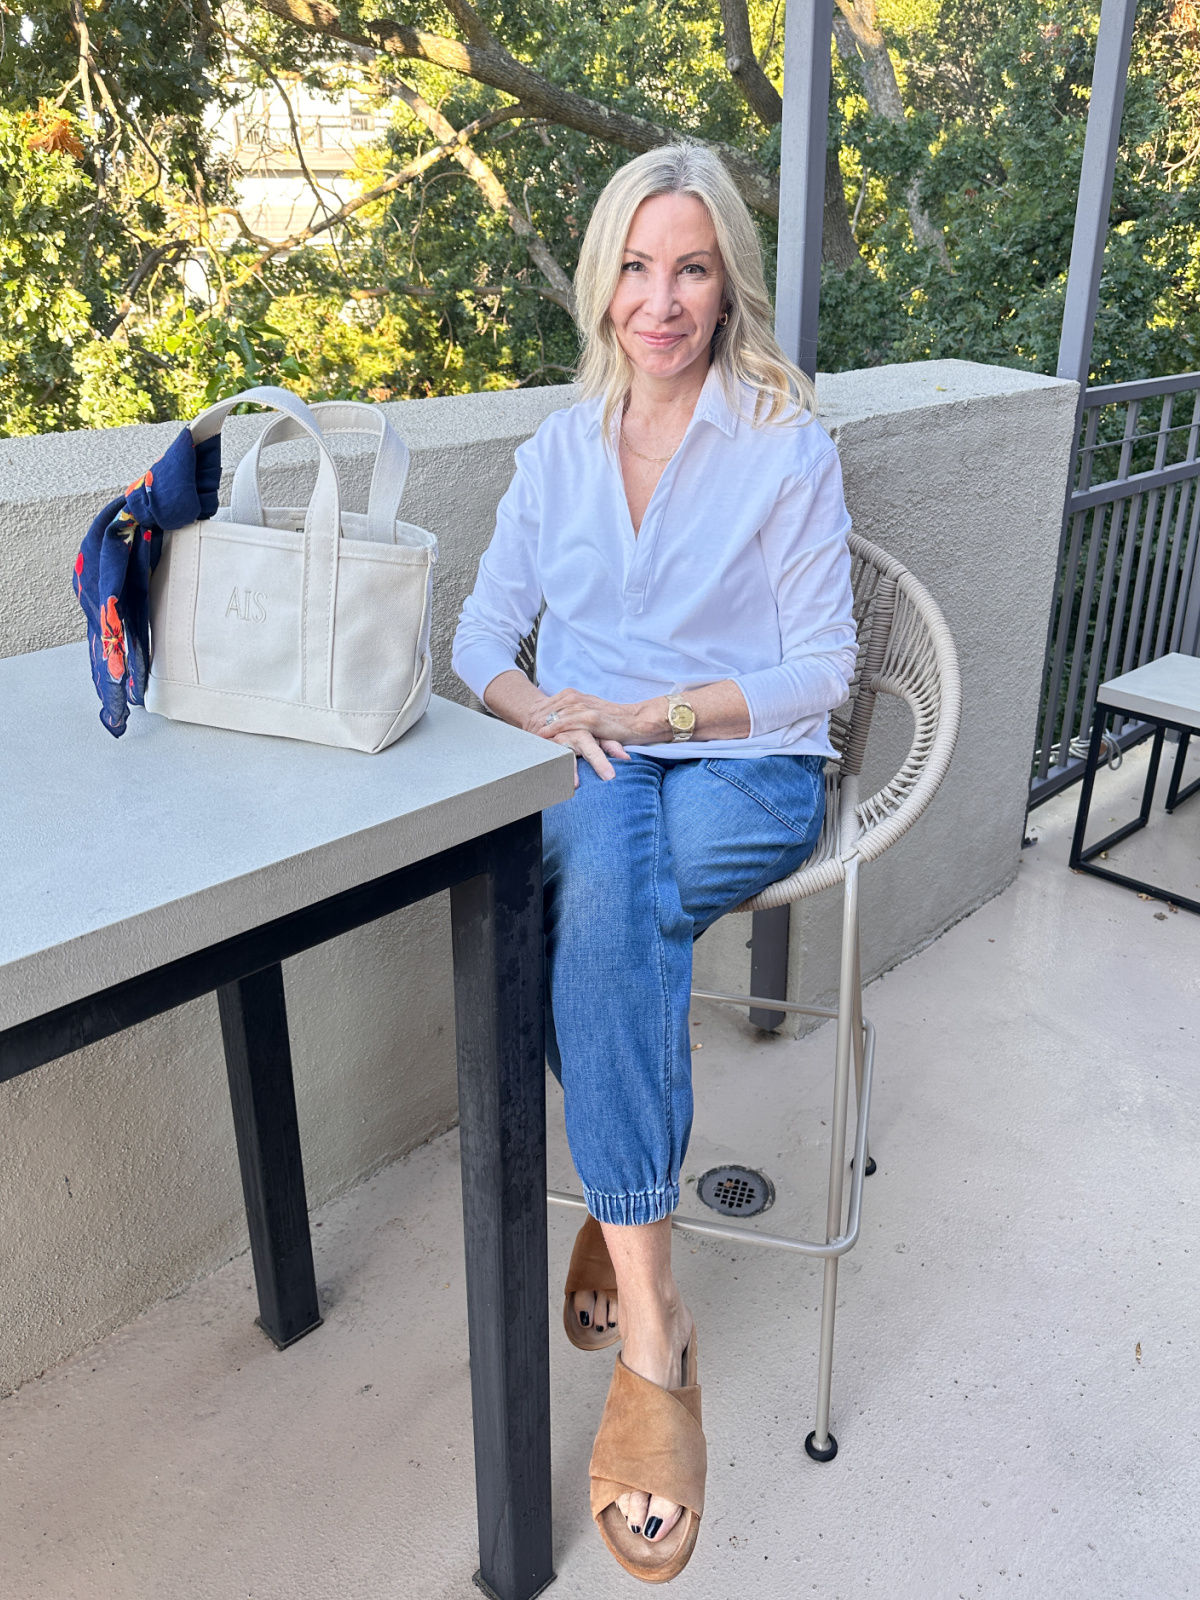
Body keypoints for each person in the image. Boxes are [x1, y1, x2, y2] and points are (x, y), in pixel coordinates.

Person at [452, 142, 857, 1583]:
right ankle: (653, 1309)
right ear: (601, 282)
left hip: (745, 762)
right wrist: (543, 706)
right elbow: (476, 645)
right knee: (614, 900)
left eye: (690, 266)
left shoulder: (780, 443)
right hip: (594, 759)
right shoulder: (558, 453)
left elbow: (822, 672)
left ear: (726, 276)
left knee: (590, 931)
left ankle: (632, 1290)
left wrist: (654, 710)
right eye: (636, 265)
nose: (661, 299)